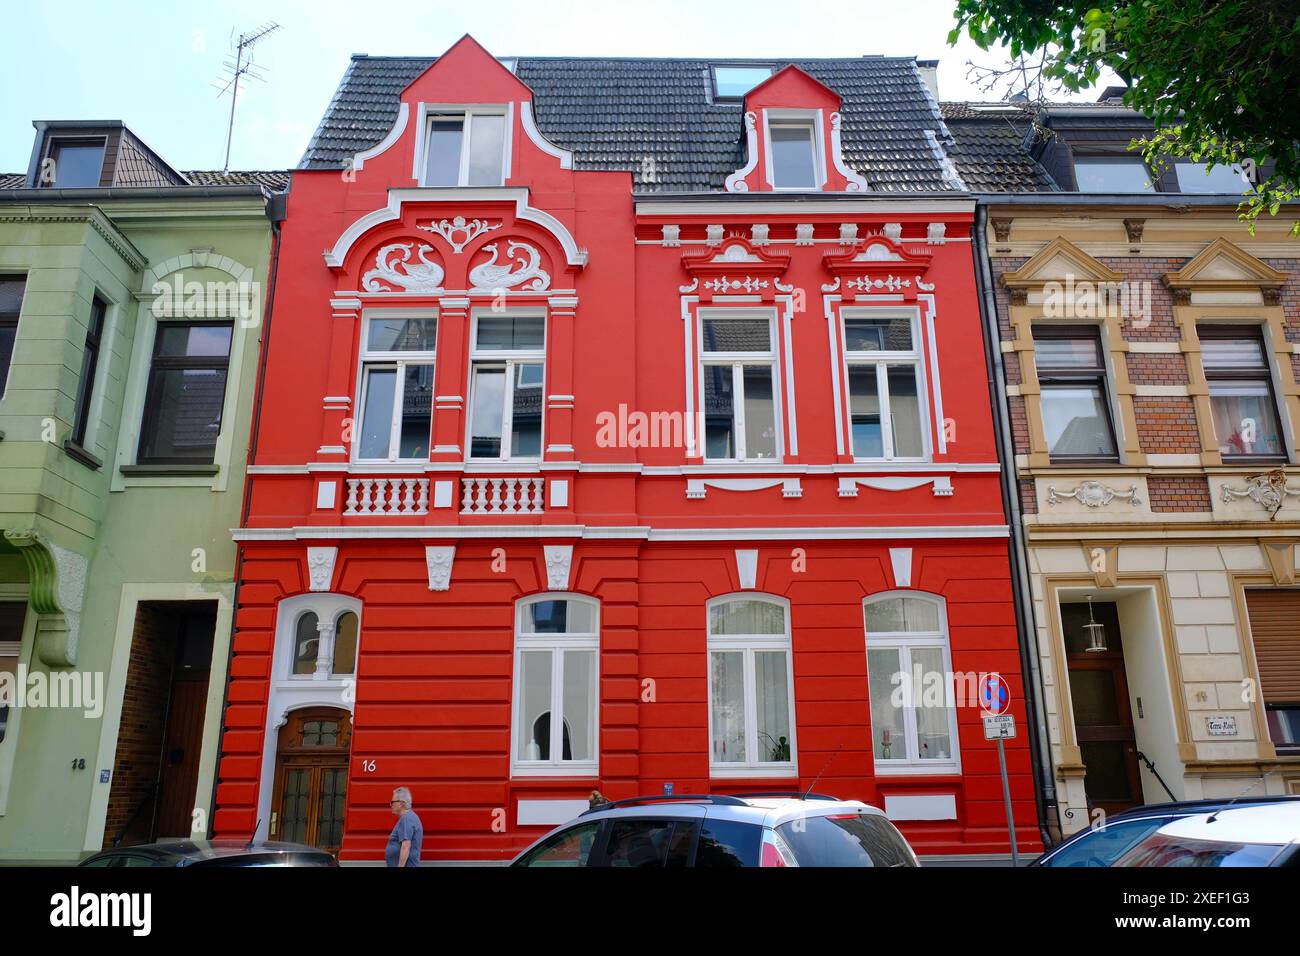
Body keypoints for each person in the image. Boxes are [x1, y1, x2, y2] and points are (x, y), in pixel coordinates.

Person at [386, 786, 423, 867]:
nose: (391, 805)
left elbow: (406, 846)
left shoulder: (406, 818)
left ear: (401, 803)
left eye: (392, 802)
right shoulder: (409, 817)